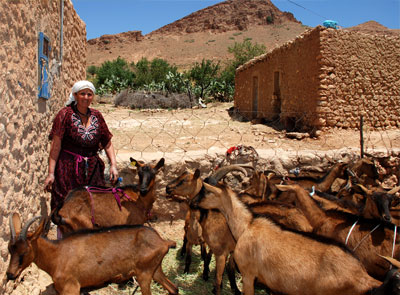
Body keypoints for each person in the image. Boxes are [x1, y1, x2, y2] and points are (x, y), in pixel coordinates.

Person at [43, 80, 119, 211]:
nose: (86, 97)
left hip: (92, 169)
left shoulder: (97, 116)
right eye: (82, 93)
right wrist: (51, 173)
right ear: (75, 95)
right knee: (67, 205)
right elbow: (55, 146)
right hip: (67, 169)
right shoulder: (65, 115)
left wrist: (113, 165)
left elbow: (107, 142)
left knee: (93, 204)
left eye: (89, 94)